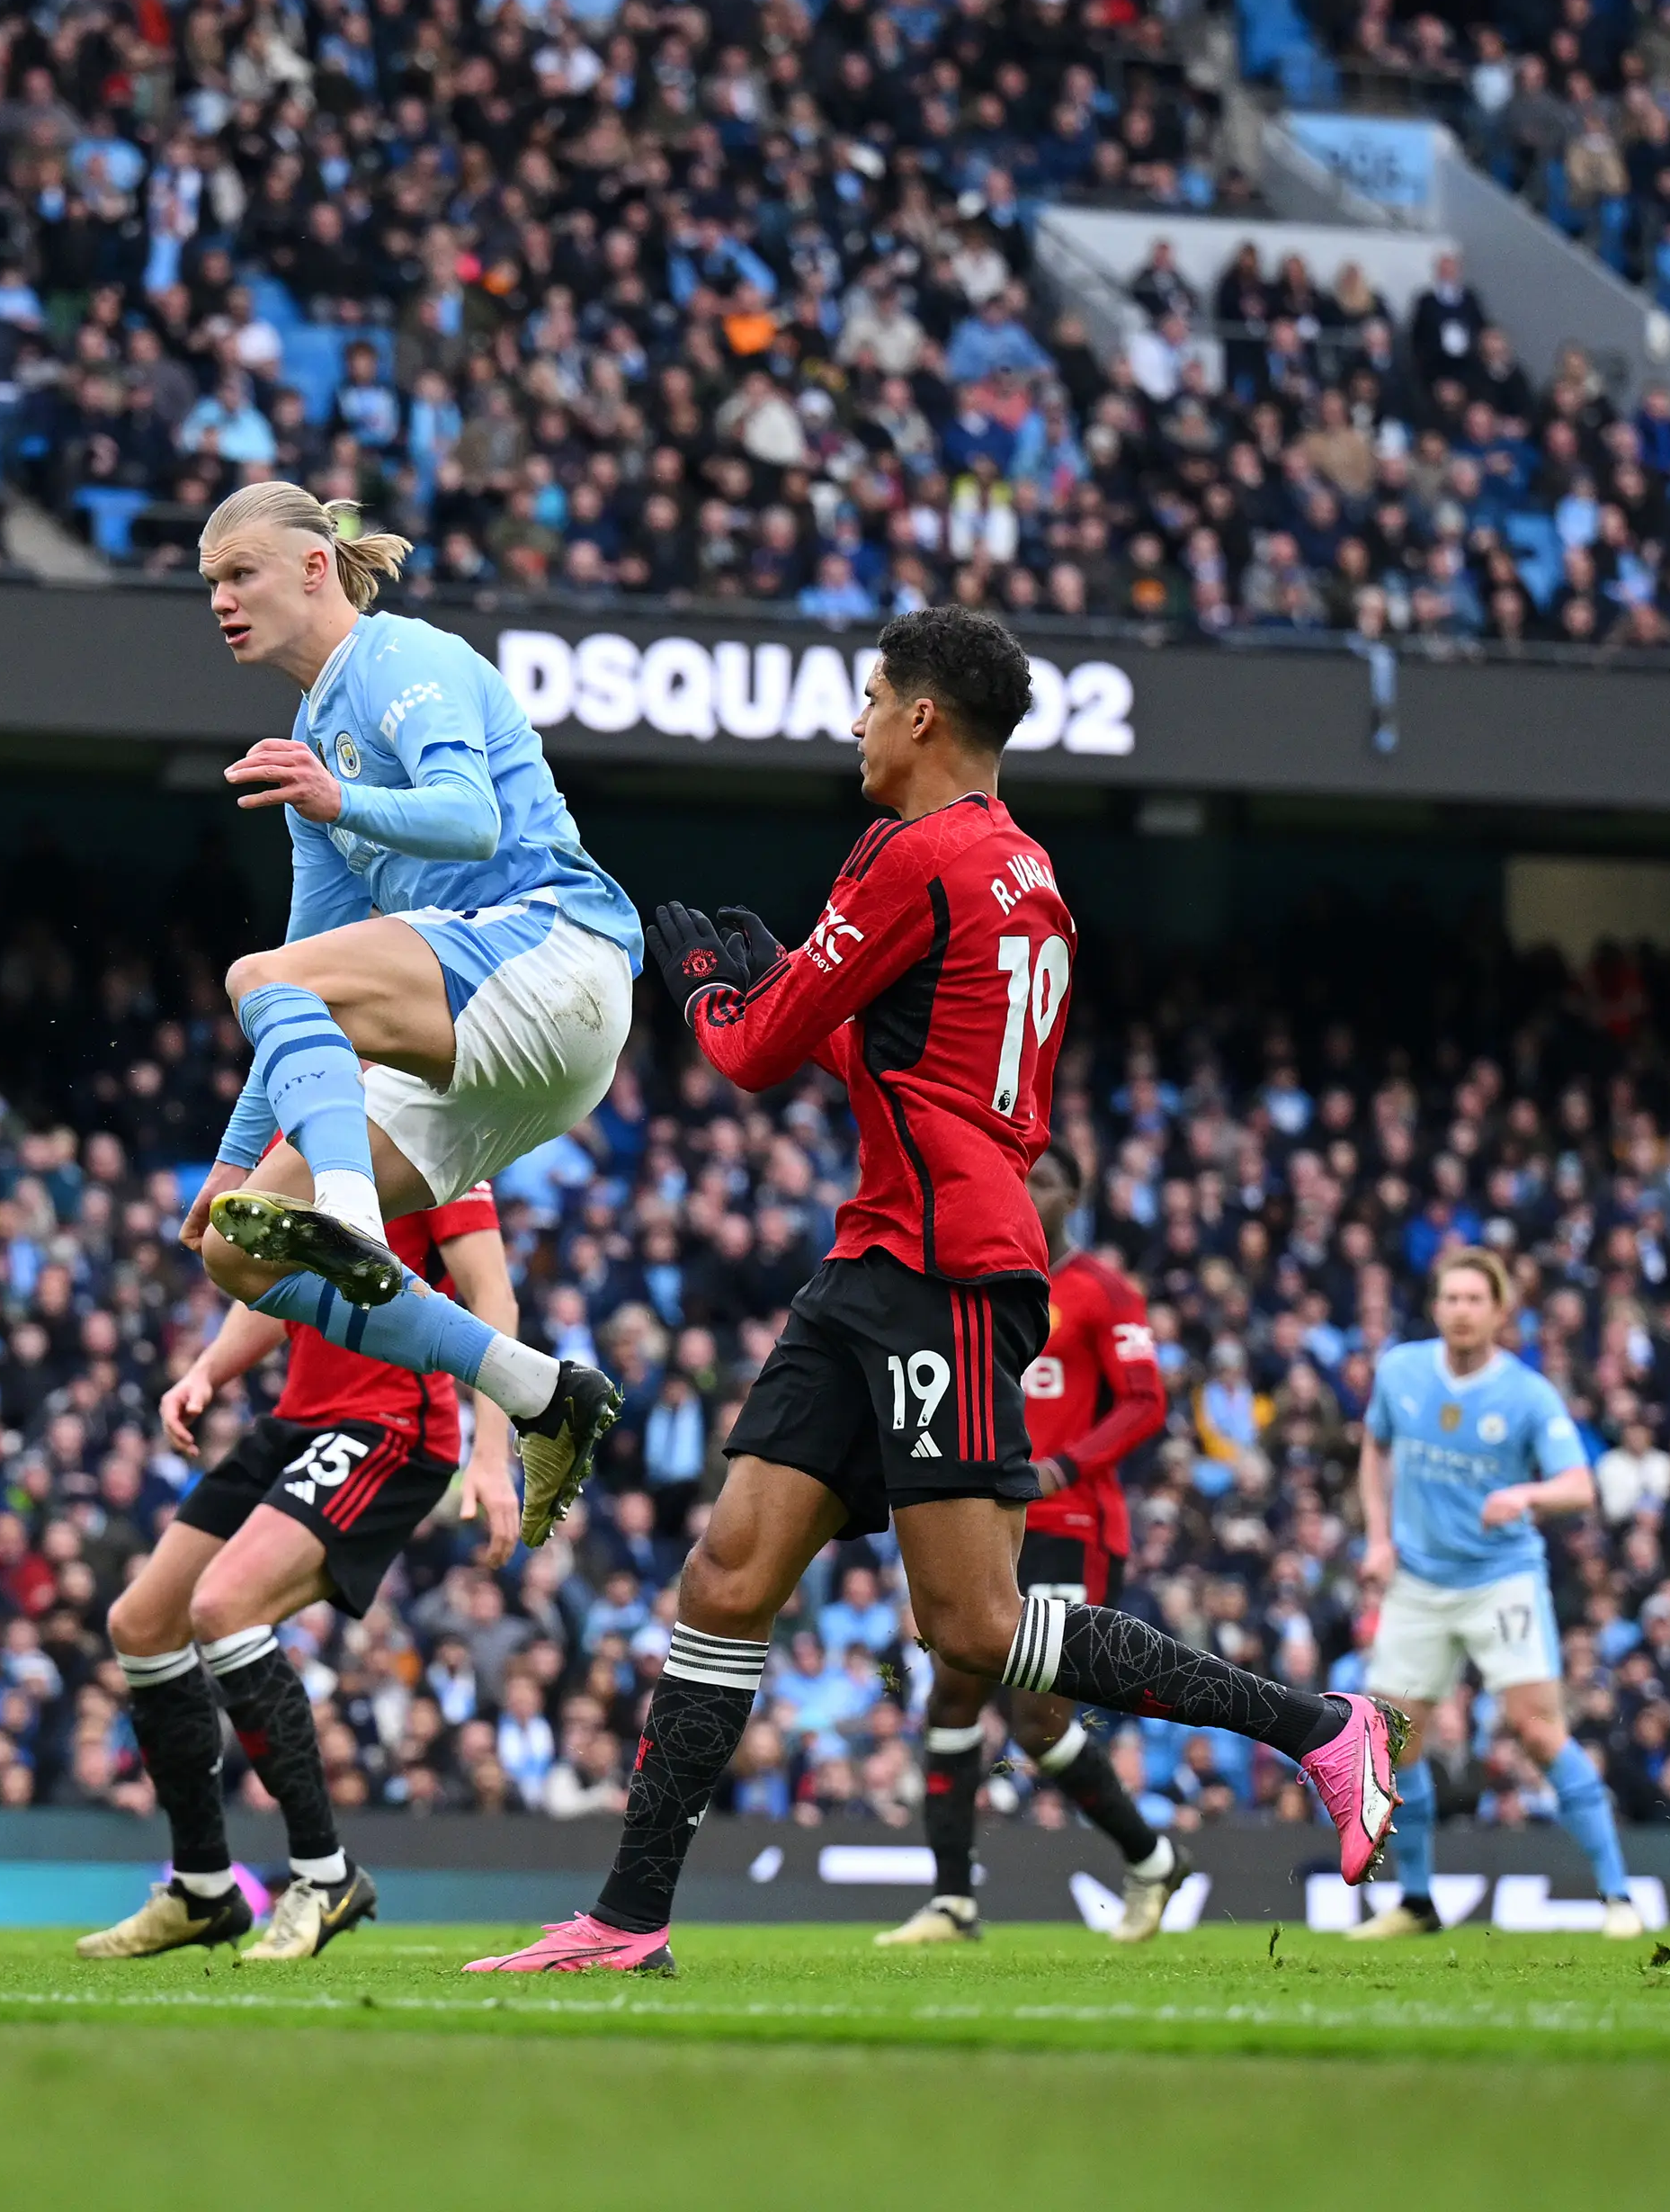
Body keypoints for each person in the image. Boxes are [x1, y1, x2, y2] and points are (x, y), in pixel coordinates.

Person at [468, 606, 1407, 1975]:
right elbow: (908, 1069)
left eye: (869, 698)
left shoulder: (914, 853)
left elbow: (751, 1057)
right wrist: (783, 986)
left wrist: (716, 994)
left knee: (969, 1625)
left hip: (946, 1270)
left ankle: (1324, 1729)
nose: (855, 723)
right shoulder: (1025, 871)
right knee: (727, 1576)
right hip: (882, 1259)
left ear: (920, 717)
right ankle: (627, 1919)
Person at [177, 481, 637, 1547]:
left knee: (260, 978)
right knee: (238, 1250)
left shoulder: (400, 658)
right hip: (493, 1042)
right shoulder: (311, 735)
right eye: (210, 584)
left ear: (314, 568)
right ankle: (537, 1389)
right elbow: (299, 981)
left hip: (555, 954)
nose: (221, 601)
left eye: (240, 574)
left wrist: (338, 799)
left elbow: (471, 819)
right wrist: (232, 1163)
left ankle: (350, 1214)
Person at [80, 1176, 519, 1963]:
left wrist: (492, 1453)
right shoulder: (303, 1140)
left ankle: (325, 1876)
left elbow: (493, 1298)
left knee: (224, 1607)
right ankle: (202, 1888)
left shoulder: (436, 1144)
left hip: (392, 1426)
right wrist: (208, 1371)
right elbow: (271, 1285)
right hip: (296, 1422)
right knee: (141, 1625)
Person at [876, 1147, 1185, 1945]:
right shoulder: (979, 1281)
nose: (1027, 1192)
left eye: (1043, 1181)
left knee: (1037, 1722)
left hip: (1069, 1528)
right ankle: (952, 1902)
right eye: (1019, 1178)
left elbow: (1146, 1403)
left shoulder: (1102, 1291)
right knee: (950, 1696)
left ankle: (1151, 1858)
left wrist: (1063, 1468)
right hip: (982, 1522)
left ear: (1073, 1197)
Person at [1346, 1246, 1640, 1940]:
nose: (1461, 1310)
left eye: (1475, 1299)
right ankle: (1417, 1903)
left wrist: (1526, 1495)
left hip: (1500, 1580)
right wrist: (1379, 1538)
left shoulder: (1527, 1394)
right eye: (1451, 1298)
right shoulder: (1401, 1371)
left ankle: (1619, 1897)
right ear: (1435, 1307)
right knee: (1393, 1739)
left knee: (1537, 1731)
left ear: (1500, 1311)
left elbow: (1580, 1486)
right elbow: (1374, 1449)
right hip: (1418, 1581)